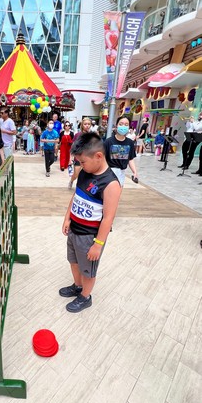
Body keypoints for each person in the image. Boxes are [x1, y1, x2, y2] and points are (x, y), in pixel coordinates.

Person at [59, 133, 121, 313]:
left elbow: (108, 218)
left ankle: (85, 297)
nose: (81, 165)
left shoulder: (111, 184)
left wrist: (98, 245)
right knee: (74, 262)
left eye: (83, 162)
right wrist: (67, 217)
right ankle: (77, 286)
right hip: (74, 231)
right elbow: (76, 196)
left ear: (98, 156)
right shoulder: (86, 172)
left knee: (88, 270)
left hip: (89, 237)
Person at [104, 116, 138, 186]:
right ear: (116, 125)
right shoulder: (108, 142)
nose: (123, 126)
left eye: (126, 125)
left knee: (118, 193)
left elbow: (130, 159)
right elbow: (102, 159)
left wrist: (135, 172)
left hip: (121, 172)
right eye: (121, 124)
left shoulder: (130, 143)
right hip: (109, 172)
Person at [68, 117, 92, 189]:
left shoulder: (92, 135)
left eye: (88, 124)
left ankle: (81, 187)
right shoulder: (78, 135)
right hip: (78, 158)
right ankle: (71, 180)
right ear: (82, 125)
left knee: (87, 174)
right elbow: (73, 147)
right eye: (85, 124)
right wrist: (70, 158)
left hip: (88, 158)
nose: (87, 125)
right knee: (76, 174)